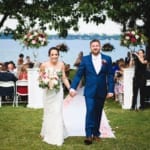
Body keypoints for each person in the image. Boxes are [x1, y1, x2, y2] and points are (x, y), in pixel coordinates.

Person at [69, 39, 114, 145]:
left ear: (100, 47)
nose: (95, 47)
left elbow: (110, 75)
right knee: (90, 110)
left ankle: (96, 134)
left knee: (98, 112)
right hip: (89, 91)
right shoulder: (85, 59)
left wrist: (111, 90)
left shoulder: (107, 59)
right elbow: (79, 74)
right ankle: (88, 135)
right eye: (93, 46)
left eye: (97, 45)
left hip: (102, 91)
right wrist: (72, 88)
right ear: (90, 47)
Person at [40, 47, 70, 146]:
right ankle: (47, 132)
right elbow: (40, 77)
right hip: (48, 93)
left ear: (58, 55)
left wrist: (70, 88)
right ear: (49, 55)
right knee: (49, 112)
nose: (54, 56)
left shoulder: (61, 64)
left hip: (58, 92)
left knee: (57, 112)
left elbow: (64, 78)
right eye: (52, 54)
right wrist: (45, 82)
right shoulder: (44, 65)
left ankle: (57, 136)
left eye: (56, 54)